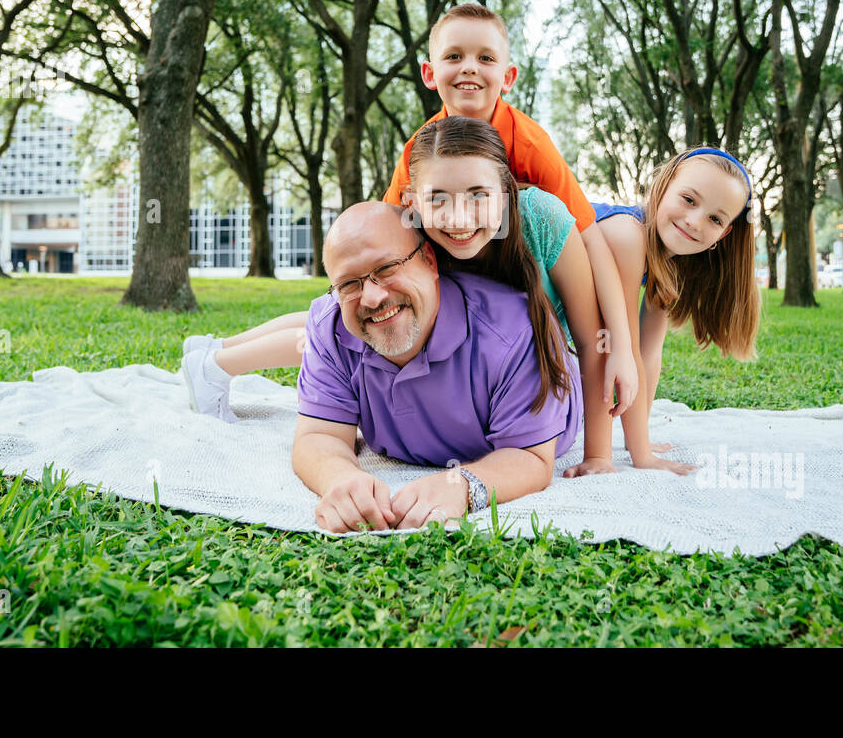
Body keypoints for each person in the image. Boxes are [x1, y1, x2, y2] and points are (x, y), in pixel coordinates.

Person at [181, 3, 638, 418]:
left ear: (509, 75)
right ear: (429, 72)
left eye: (485, 58)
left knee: (351, 320)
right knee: (340, 322)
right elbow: (389, 223)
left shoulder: (529, 143)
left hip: (496, 254)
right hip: (444, 259)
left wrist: (618, 342)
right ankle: (218, 357)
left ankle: (213, 355)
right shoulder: (424, 149)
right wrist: (371, 282)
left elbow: (588, 233)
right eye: (454, 56)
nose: (469, 69)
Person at [404, 115, 687, 473]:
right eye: (438, 199)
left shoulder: (542, 219)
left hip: (541, 387)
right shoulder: (412, 238)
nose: (459, 220)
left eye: (478, 195)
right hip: (460, 399)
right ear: (412, 203)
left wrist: (598, 455)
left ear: (505, 194)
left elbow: (589, 340)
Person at [290, 201, 583, 533]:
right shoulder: (329, 326)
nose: (371, 297)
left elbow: (531, 458)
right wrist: (340, 478)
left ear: (429, 260)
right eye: (349, 284)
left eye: (386, 268)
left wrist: (461, 484)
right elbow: (318, 434)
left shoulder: (517, 330)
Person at [563, 147, 762, 478]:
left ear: (724, 234)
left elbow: (648, 353)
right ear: (663, 185)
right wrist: (626, 457)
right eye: (688, 199)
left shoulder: (671, 261)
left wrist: (638, 439)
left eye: (715, 219)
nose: (694, 221)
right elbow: (612, 345)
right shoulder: (627, 235)